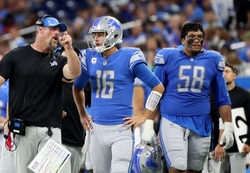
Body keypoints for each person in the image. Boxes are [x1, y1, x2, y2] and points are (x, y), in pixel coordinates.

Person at [0, 14, 81, 173]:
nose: (57, 33)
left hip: (51, 132)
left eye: (59, 30)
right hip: (23, 130)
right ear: (40, 30)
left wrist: (69, 49)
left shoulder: (58, 60)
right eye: (53, 29)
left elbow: (75, 73)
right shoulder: (16, 55)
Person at [72, 16, 164, 173]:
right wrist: (82, 114)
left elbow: (158, 87)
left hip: (121, 129)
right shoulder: (90, 56)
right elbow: (77, 87)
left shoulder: (129, 56)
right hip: (97, 129)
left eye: (100, 34)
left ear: (113, 35)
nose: (96, 39)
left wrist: (144, 116)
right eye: (95, 35)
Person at [152, 22, 234, 173]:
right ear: (182, 40)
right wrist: (148, 122)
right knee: (177, 167)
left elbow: (222, 98)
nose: (197, 40)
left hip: (201, 121)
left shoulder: (213, 59)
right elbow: (155, 92)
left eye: (200, 37)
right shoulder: (168, 56)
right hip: (173, 119)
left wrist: (228, 126)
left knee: (195, 169)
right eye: (192, 37)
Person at [203, 62, 250, 173]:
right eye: (222, 72)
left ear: (235, 75)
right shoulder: (212, 95)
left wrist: (248, 142)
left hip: (238, 146)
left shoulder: (244, 95)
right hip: (217, 146)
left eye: (227, 71)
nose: (224, 74)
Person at [55, 45, 91, 173]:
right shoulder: (49, 83)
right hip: (53, 141)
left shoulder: (85, 85)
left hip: (76, 141)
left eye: (71, 60)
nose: (67, 65)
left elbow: (98, 106)